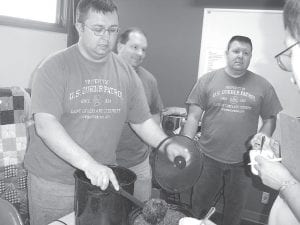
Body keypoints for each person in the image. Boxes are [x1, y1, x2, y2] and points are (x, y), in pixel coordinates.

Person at [23, 1, 189, 224]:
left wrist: (166, 144)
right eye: (98, 29)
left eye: (112, 30)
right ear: (79, 27)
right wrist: (88, 163)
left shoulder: (126, 73)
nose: (106, 37)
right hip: (54, 182)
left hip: (101, 179)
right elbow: (46, 125)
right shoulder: (54, 67)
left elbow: (142, 121)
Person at [182, 35, 283, 225]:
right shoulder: (208, 80)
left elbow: (271, 118)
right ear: (227, 53)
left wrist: (263, 137)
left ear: (250, 57)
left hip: (242, 162)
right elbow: (193, 117)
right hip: (208, 158)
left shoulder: (263, 85)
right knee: (199, 207)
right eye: (236, 51)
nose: (240, 56)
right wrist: (186, 148)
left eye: (246, 53)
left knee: (234, 212)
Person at [253, 0, 300, 224]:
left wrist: (285, 183)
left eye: (291, 53)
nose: (291, 77)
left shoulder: (262, 86)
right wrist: (273, 148)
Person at [115, 27, 163, 202]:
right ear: (119, 45)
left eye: (144, 49)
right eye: (134, 47)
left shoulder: (149, 80)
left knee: (140, 211)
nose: (140, 53)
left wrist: (152, 147)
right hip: (105, 163)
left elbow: (155, 115)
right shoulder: (101, 74)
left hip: (139, 164)